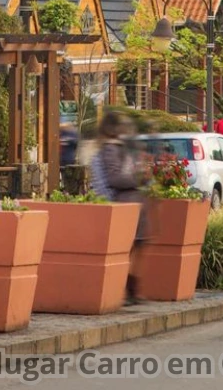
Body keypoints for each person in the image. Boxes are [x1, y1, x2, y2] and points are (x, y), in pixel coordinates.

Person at [91, 110, 149, 303]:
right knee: (130, 247)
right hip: (125, 204)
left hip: (133, 204)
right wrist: (139, 178)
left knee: (136, 246)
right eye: (124, 125)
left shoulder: (120, 148)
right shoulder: (110, 149)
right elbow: (115, 178)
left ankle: (131, 287)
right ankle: (128, 288)